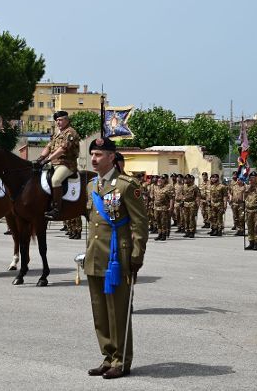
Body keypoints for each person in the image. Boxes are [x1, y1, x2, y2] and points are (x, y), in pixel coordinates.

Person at [85, 137, 148, 379]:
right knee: (99, 311)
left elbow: (140, 223)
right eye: (92, 154)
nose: (94, 158)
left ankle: (121, 361)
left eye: (99, 154)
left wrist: (136, 255)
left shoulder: (126, 185)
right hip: (95, 256)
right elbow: (92, 224)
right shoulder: (91, 186)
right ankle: (107, 356)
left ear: (112, 157)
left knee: (118, 311)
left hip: (117, 258)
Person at [37, 111, 81, 220]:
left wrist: (47, 159)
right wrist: (40, 158)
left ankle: (56, 209)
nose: (58, 122)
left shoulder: (70, 132)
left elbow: (63, 149)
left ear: (67, 120)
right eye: (56, 120)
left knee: (56, 180)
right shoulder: (57, 133)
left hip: (66, 164)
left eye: (60, 120)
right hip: (54, 164)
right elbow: (48, 147)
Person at [152, 174, 174, 241]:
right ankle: (159, 234)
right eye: (159, 179)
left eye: (161, 179)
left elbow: (171, 198)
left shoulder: (167, 188)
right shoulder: (155, 188)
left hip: (164, 208)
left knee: (163, 222)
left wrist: (171, 207)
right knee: (158, 222)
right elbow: (154, 197)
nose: (159, 180)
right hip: (156, 208)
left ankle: (164, 235)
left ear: (164, 181)